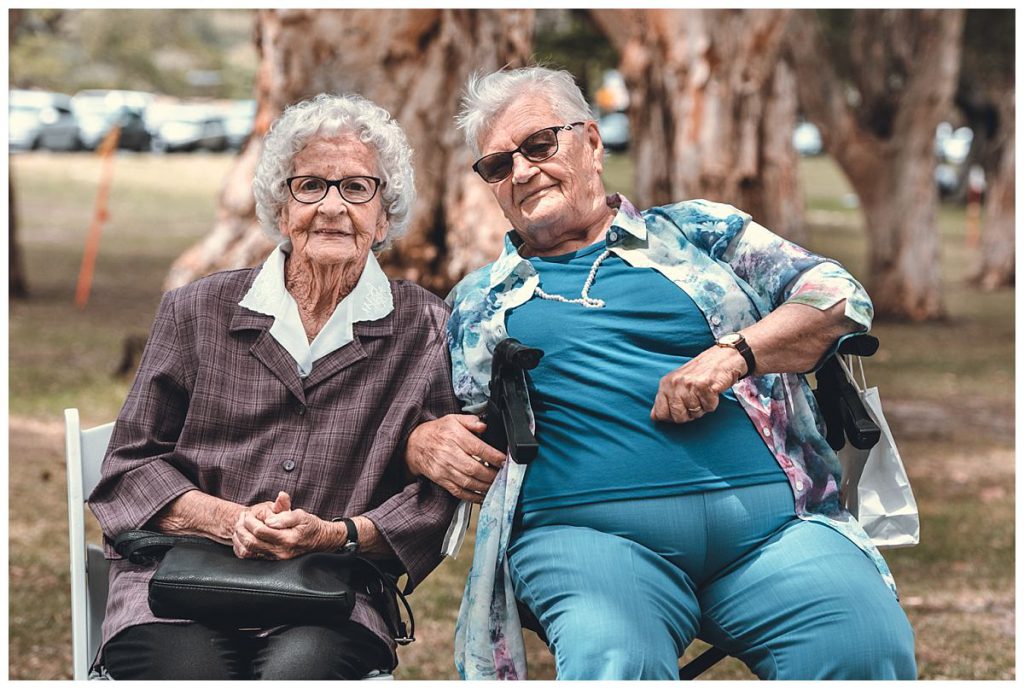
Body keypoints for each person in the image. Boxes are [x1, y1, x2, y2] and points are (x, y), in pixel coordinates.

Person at [406, 67, 918, 680]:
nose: (520, 172)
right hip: (590, 543)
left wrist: (732, 354)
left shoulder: (700, 234)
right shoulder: (477, 301)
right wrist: (421, 441)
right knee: (614, 659)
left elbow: (838, 297)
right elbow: (412, 406)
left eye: (539, 145)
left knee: (863, 644)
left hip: (774, 533)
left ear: (591, 143)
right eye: (496, 165)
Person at [88, 93, 463, 680]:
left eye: (357, 188)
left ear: (384, 215)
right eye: (310, 186)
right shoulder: (197, 310)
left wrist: (335, 535)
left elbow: (438, 503)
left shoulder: (426, 328)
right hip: (175, 587)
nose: (333, 207)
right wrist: (228, 520)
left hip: (331, 595)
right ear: (281, 209)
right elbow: (127, 468)